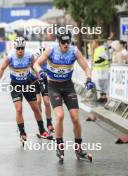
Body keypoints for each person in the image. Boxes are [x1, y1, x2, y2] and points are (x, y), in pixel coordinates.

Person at [33, 31, 95, 162]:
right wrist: (41, 71)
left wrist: (89, 79)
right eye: (63, 42)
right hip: (53, 86)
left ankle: (78, 148)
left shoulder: (74, 51)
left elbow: (86, 67)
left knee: (75, 118)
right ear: (58, 41)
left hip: (68, 86)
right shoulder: (51, 50)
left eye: (68, 41)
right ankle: (59, 145)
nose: (66, 45)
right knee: (60, 116)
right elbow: (36, 64)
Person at [0, 37, 53, 146]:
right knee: (19, 109)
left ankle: (42, 130)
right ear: (15, 48)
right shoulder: (10, 57)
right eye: (18, 48)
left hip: (27, 83)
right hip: (15, 85)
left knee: (35, 108)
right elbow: (1, 69)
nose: (20, 50)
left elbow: (35, 65)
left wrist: (40, 72)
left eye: (22, 48)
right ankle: (22, 132)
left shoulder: (29, 56)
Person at [35, 47, 54, 132]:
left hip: (45, 82)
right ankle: (40, 122)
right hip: (35, 82)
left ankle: (49, 123)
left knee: (46, 102)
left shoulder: (49, 61)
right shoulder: (35, 61)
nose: (43, 61)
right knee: (38, 101)